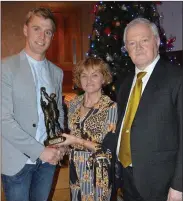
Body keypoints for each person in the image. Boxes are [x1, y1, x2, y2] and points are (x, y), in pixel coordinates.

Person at [115, 17, 183, 201]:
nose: (138, 47)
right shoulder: (124, 83)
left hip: (161, 184)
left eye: (144, 40)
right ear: (126, 49)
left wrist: (179, 186)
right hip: (127, 179)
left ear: (157, 41)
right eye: (132, 43)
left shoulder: (177, 78)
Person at [2, 7, 65, 201]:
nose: (42, 36)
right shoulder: (6, 67)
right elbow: (3, 119)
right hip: (18, 162)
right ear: (25, 30)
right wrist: (40, 151)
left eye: (48, 31)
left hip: (48, 162)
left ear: (52, 36)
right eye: (36, 28)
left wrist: (59, 146)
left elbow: (58, 114)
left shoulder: (57, 72)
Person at [59, 57, 118, 201]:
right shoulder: (73, 104)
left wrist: (76, 140)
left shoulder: (111, 107)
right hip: (76, 170)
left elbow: (108, 151)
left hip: (98, 173)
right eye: (84, 75)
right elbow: (72, 137)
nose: (88, 80)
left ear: (103, 78)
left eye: (94, 75)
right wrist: (63, 147)